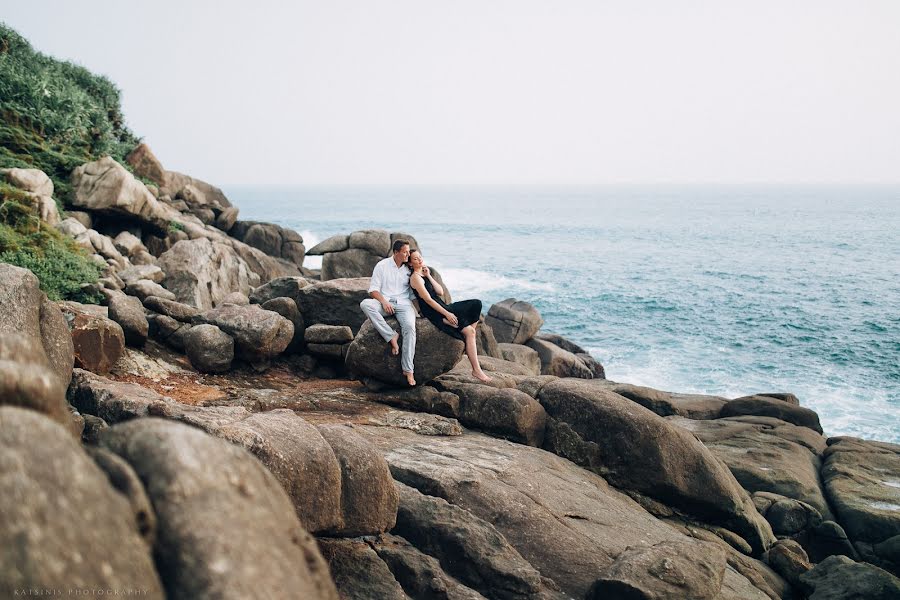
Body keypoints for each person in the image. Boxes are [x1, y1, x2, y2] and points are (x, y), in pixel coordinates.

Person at [407, 249, 492, 382]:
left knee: (476, 304)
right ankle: (476, 370)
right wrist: (447, 314)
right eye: (415, 259)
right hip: (434, 312)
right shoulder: (415, 278)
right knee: (469, 332)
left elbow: (440, 292)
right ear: (411, 264)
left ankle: (467, 336)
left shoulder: (423, 274)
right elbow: (428, 300)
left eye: (420, 257)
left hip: (442, 305)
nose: (420, 259)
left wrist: (429, 275)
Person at [359, 239, 418, 386]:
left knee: (410, 328)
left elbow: (413, 294)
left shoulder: (408, 269)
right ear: (396, 252)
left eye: (408, 252)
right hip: (384, 303)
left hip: (404, 305)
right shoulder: (382, 266)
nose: (407, 255)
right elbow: (373, 290)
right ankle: (391, 336)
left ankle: (408, 370)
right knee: (366, 304)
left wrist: (421, 311)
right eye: (404, 252)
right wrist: (384, 302)